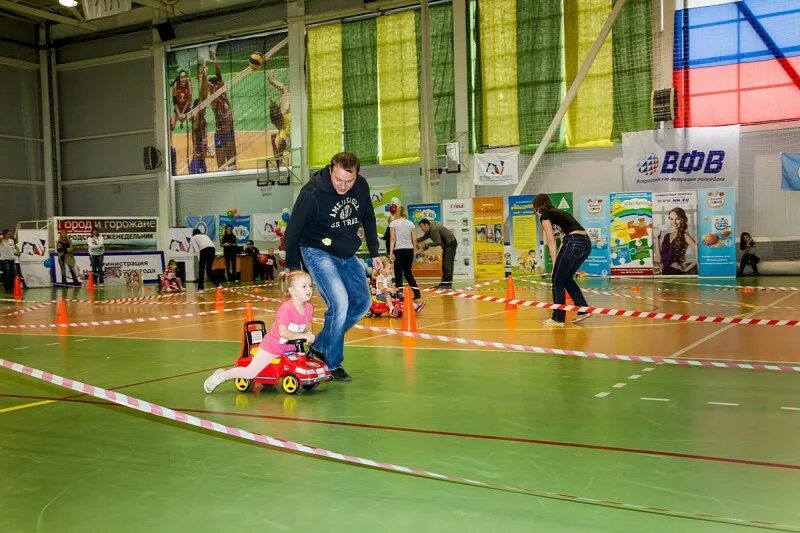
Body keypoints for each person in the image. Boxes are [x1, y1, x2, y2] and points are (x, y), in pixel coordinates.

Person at [283, 151, 383, 382]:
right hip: (317, 250)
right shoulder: (312, 192)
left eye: (349, 180)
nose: (343, 186)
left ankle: (320, 345)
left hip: (346, 251)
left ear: (357, 174)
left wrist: (375, 251)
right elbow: (293, 231)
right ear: (331, 170)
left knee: (362, 303)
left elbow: (368, 217)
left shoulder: (361, 186)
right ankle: (332, 362)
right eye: (339, 179)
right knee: (339, 303)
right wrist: (293, 266)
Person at [203, 271, 315, 393]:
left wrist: (308, 335)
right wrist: (303, 335)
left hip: (290, 350)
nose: (309, 289)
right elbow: (283, 333)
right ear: (292, 290)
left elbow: (307, 327)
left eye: (310, 285)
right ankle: (220, 376)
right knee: (250, 372)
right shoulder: (287, 308)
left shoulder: (309, 308)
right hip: (272, 348)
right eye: (304, 286)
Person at [534, 193, 592, 327]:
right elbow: (563, 241)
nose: (536, 212)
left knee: (557, 279)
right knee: (566, 278)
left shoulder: (545, 216)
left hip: (574, 241)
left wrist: (554, 263)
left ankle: (558, 318)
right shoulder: (558, 213)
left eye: (535, 209)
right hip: (586, 243)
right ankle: (583, 310)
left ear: (538, 207)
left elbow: (551, 240)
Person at [209, 50, 237, 170]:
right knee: (221, 165)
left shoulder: (222, 91)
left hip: (229, 129)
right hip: (221, 131)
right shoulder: (213, 101)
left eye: (211, 86)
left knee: (232, 163)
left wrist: (215, 60)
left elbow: (219, 75)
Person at [389, 206, 422, 300]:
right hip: (409, 250)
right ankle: (417, 293)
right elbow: (414, 239)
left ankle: (400, 295)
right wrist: (414, 250)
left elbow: (392, 239)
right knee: (408, 273)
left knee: (398, 273)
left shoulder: (393, 223)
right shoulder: (410, 223)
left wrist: (391, 252)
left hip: (399, 250)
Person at [655, 207, 698, 275]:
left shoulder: (684, 235)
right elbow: (659, 259)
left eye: (677, 219)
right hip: (665, 273)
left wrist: (686, 269)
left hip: (676, 272)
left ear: (683, 220)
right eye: (671, 219)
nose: (674, 222)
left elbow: (701, 253)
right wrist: (657, 238)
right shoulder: (667, 236)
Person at [417, 219, 457, 290]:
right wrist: (412, 239)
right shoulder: (429, 230)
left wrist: (428, 244)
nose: (421, 229)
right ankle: (444, 283)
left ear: (426, 225)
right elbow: (422, 238)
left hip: (450, 244)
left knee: (447, 265)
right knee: (445, 265)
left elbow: (438, 242)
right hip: (447, 245)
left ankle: (447, 285)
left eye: (421, 226)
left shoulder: (433, 229)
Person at [189, 61, 210, 175]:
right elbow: (203, 96)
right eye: (203, 106)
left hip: (201, 161)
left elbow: (204, 98)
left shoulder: (202, 119)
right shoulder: (196, 118)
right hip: (197, 162)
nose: (205, 108)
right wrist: (204, 77)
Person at [268, 74, 291, 158]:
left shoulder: (286, 114)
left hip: (289, 140)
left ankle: (278, 156)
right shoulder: (287, 113)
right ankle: (278, 156)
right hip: (292, 141)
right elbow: (285, 90)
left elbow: (285, 90)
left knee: (286, 92)